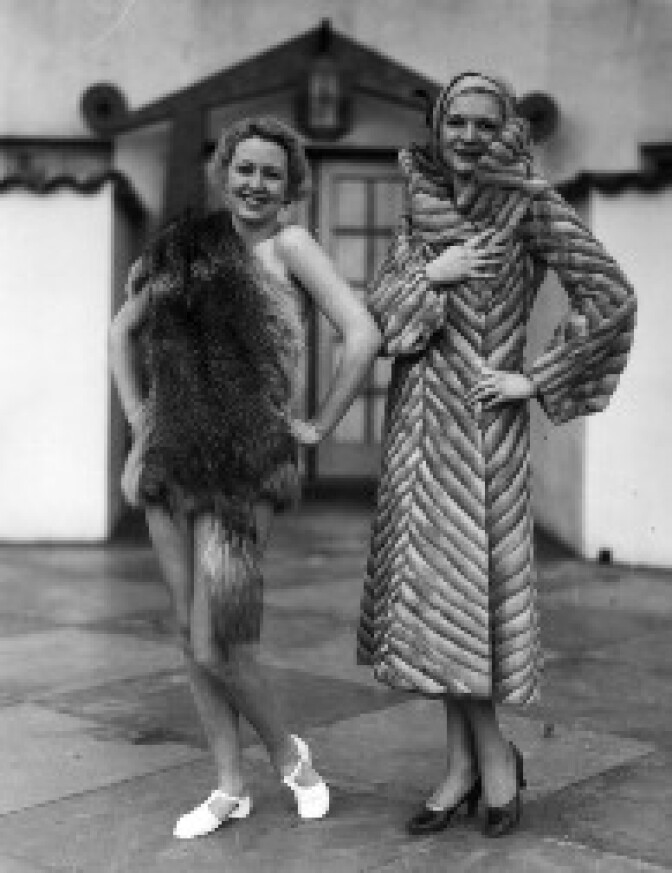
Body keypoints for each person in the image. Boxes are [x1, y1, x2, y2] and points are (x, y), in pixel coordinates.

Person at [356, 72, 636, 838]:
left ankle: (488, 762)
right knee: (436, 614)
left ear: (508, 127)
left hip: (485, 433)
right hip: (418, 430)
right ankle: (474, 763)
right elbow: (382, 315)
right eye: (458, 122)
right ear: (439, 127)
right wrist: (429, 275)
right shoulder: (419, 207)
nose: (470, 136)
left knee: (469, 605)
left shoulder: (532, 203)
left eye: (486, 122)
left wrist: (533, 377)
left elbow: (610, 296)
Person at [110, 116, 382, 839]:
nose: (256, 183)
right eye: (245, 168)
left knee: (218, 642)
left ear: (291, 186)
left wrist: (318, 425)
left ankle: (291, 755)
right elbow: (121, 331)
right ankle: (229, 784)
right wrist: (139, 420)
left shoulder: (291, 245)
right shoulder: (181, 246)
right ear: (223, 172)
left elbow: (361, 333)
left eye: (272, 173)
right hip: (169, 464)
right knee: (185, 630)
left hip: (245, 471)